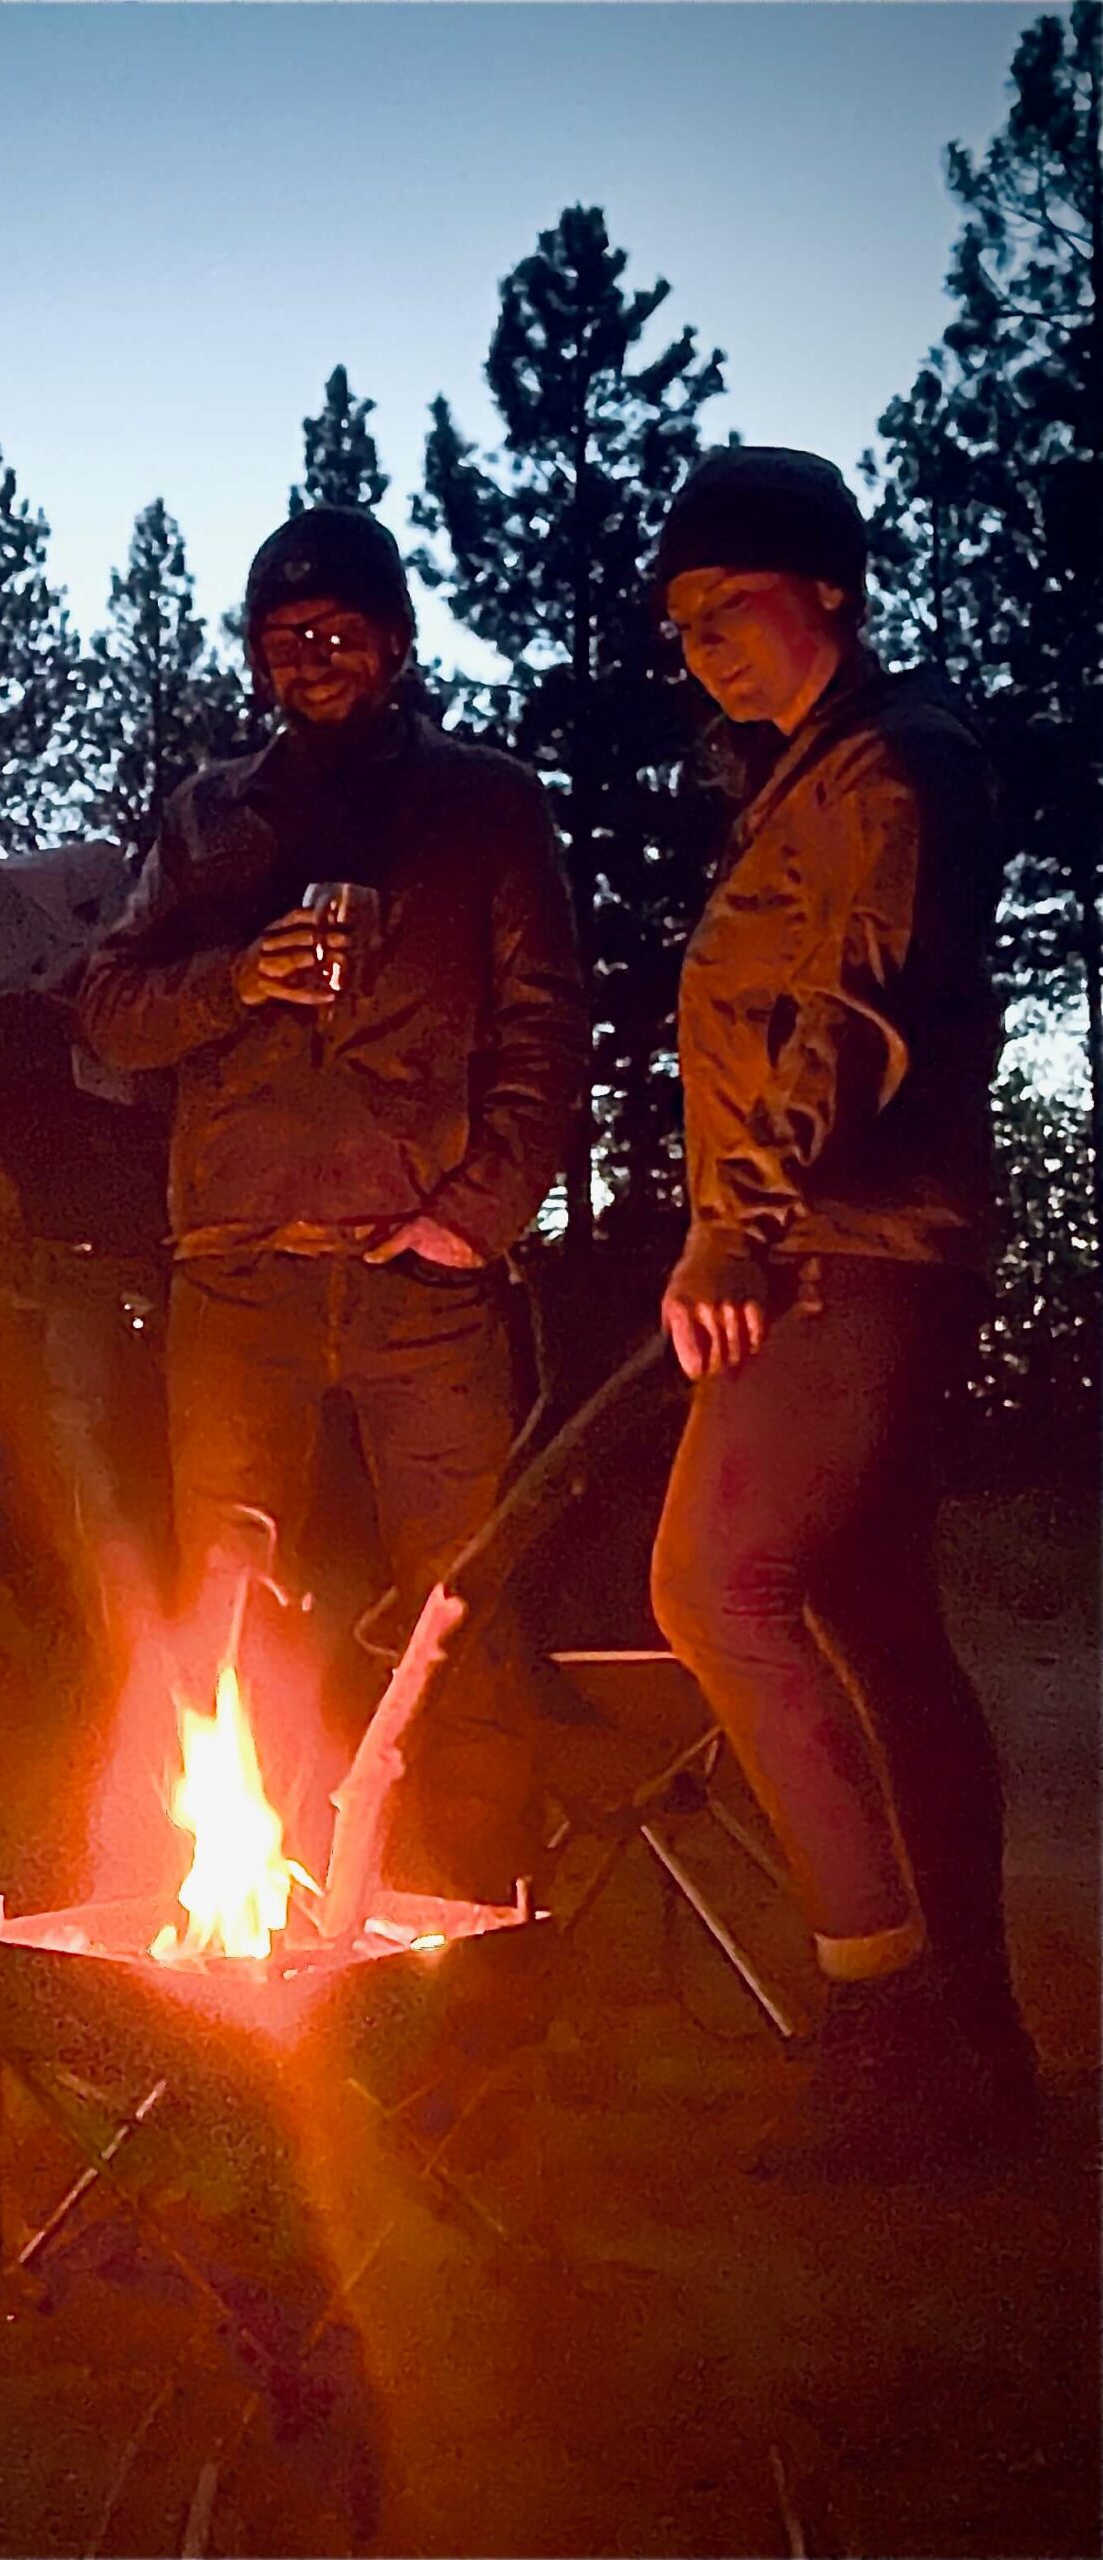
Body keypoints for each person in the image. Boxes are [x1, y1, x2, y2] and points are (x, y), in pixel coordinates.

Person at [77, 504, 586, 1897]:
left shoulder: (481, 805)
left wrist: (472, 1219)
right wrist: (236, 979)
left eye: (339, 630)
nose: (309, 655)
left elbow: (547, 1030)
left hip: (421, 1280)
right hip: (237, 1273)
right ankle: (249, 1904)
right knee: (228, 1609)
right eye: (282, 634)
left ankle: (483, 1904)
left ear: (397, 643)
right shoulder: (205, 818)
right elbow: (109, 1010)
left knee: (456, 1605)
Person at [647, 444, 1039, 2178]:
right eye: (681, 623)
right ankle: (976, 2047)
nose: (703, 644)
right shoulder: (812, 781)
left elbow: (857, 1013)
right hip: (840, 1238)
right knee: (879, 1632)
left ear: (826, 586)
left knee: (713, 1585)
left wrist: (738, 1230)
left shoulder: (894, 767)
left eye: (727, 604)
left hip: (848, 1249)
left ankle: (890, 2020)